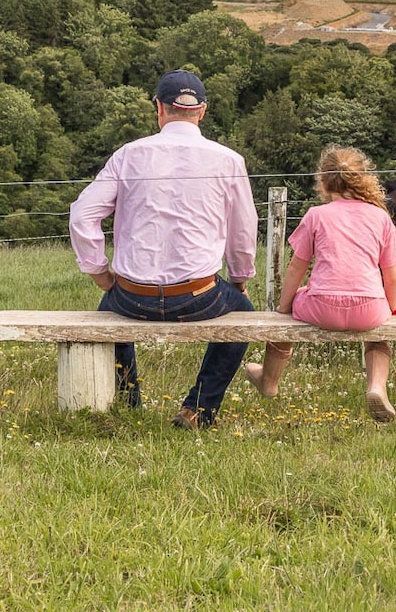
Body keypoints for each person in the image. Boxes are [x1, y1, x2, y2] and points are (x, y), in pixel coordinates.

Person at [68, 69, 258, 431]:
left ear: (159, 108)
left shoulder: (129, 155)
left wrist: (99, 272)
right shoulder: (228, 160)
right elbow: (243, 230)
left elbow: (82, 215)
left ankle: (129, 403)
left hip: (131, 296)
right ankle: (197, 410)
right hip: (198, 296)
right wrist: (238, 279)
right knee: (242, 318)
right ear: (201, 111)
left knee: (109, 311)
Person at [244, 145, 396, 422]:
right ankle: (377, 387)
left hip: (322, 307)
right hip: (370, 310)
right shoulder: (380, 217)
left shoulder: (316, 215)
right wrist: (390, 307)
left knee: (290, 311)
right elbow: (392, 274)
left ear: (324, 181)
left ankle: (269, 381)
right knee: (380, 333)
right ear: (364, 178)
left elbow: (297, 267)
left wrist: (284, 306)